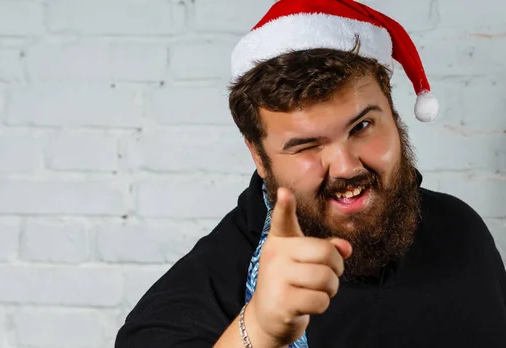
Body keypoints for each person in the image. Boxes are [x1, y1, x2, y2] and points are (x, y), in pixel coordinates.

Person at [115, 0, 506, 347]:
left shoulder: (460, 228)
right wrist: (260, 330)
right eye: (306, 146)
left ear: (392, 111)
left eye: (362, 127)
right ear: (258, 155)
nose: (346, 166)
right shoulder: (205, 288)